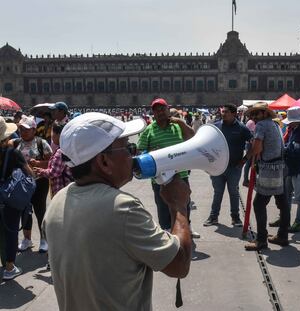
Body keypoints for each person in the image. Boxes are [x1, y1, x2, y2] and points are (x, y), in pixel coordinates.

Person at [43, 112, 192, 310]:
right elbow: (179, 264)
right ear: (104, 161)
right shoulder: (123, 208)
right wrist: (179, 205)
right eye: (129, 148)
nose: (135, 154)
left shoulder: (58, 199)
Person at [137, 98, 198, 236]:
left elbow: (193, 139)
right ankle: (166, 231)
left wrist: (181, 123)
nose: (160, 112)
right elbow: (140, 152)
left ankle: (186, 228)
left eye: (162, 109)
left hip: (180, 174)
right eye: (156, 110)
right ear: (153, 113)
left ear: (168, 109)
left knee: (184, 203)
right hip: (159, 178)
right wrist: (151, 153)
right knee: (163, 205)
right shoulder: (149, 130)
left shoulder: (177, 126)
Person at [242, 103, 290, 251]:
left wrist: (246, 159)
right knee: (283, 203)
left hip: (269, 168)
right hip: (279, 167)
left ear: (264, 113)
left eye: (257, 114)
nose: (254, 117)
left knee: (259, 204)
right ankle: (283, 236)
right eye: (252, 114)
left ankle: (261, 240)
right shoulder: (274, 124)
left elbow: (257, 148)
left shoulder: (262, 125)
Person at [204, 104, 252, 227]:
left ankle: (235, 218)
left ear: (234, 113)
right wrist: (208, 164)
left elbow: (254, 144)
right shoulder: (216, 127)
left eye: (226, 112)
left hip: (234, 167)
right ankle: (213, 217)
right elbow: (206, 145)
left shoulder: (242, 128)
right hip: (218, 167)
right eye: (222, 111)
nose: (223, 114)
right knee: (218, 192)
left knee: (233, 192)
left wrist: (245, 160)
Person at [11, 116, 52, 253]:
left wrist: (38, 163)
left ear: (34, 130)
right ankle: (27, 239)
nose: (23, 132)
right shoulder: (16, 143)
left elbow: (51, 162)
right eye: (21, 129)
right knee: (25, 211)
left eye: (27, 130)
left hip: (39, 182)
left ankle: (44, 239)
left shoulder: (42, 143)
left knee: (40, 210)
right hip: (22, 184)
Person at [0, 117, 33, 280]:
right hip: (9, 197)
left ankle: (3, 261)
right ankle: (9, 268)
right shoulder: (12, 152)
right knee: (11, 231)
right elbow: (29, 173)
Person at [33, 122, 73, 198]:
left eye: (52, 132)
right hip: (67, 188)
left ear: (58, 135)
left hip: (61, 190)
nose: (51, 135)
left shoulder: (60, 152)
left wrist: (40, 171)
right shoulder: (67, 148)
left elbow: (53, 173)